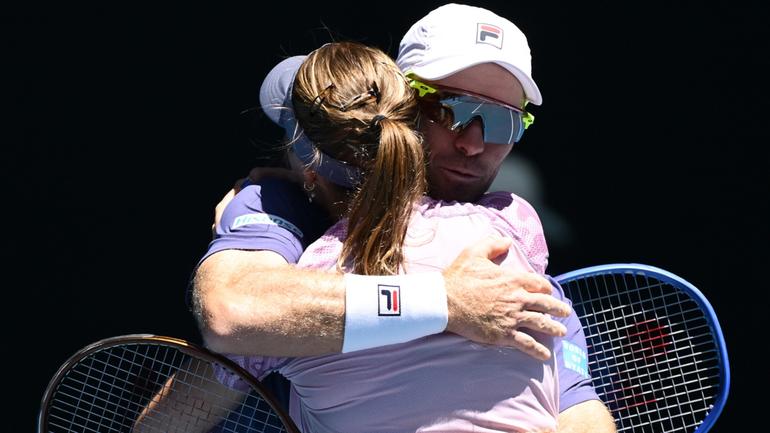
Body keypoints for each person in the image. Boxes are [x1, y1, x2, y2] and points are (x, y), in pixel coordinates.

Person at [193, 3, 615, 432]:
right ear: (400, 101)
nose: (473, 144)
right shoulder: (279, 204)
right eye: (447, 109)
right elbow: (232, 310)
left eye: (501, 123)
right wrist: (446, 301)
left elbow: (577, 409)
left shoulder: (511, 233)